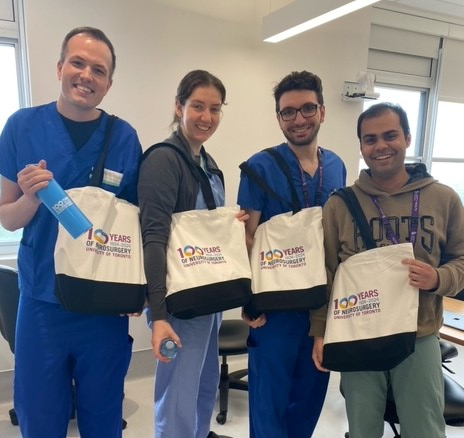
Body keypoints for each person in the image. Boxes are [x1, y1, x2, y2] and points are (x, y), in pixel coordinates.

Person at [0, 27, 142, 438]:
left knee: (103, 417)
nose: (86, 75)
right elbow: (8, 218)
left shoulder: (124, 138)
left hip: (103, 307)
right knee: (41, 417)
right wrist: (30, 197)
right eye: (77, 63)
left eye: (99, 69)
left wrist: (137, 290)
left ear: (109, 83)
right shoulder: (22, 127)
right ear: (60, 66)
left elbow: (134, 223)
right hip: (43, 303)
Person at [311, 102, 464, 438]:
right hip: (358, 333)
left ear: (407, 138)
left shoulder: (444, 198)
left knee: (424, 430)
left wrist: (438, 278)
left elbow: (461, 261)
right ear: (362, 147)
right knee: (363, 430)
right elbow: (326, 272)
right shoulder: (340, 204)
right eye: (370, 139)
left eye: (390, 135)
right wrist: (320, 332)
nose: (380, 146)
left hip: (419, 335)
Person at [237, 70, 347, 438]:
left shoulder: (337, 166)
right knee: (269, 404)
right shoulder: (258, 166)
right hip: (274, 308)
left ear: (323, 111)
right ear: (278, 118)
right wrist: (247, 298)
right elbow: (246, 235)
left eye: (307, 109)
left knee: (310, 395)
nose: (298, 119)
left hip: (320, 306)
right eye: (288, 112)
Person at [138, 70, 243, 438]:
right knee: (178, 392)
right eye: (197, 106)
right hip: (178, 303)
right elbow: (153, 237)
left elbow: (206, 232)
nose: (206, 117)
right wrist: (159, 312)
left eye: (215, 109)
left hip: (206, 299)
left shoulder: (208, 165)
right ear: (179, 106)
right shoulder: (163, 161)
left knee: (203, 382)